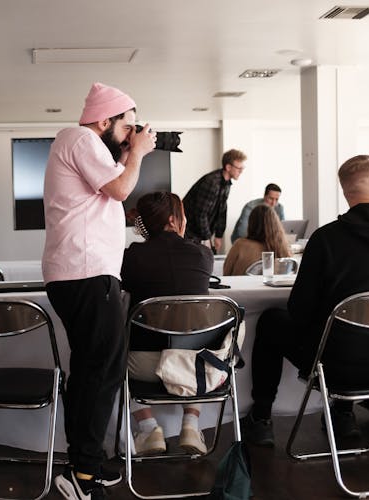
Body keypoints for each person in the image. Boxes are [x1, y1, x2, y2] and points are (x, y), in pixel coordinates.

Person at [242, 154, 369, 447]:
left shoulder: (326, 240)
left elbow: (299, 312)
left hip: (339, 367)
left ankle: (261, 417)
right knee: (347, 336)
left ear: (347, 193)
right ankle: (343, 411)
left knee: (272, 321)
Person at [42, 82, 156, 499]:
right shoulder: (80, 137)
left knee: (93, 371)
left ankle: (84, 464)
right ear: (105, 121)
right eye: (128, 126)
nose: (132, 133)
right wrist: (138, 153)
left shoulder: (84, 146)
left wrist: (129, 152)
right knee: (102, 371)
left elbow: (113, 185)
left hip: (82, 274)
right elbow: (122, 190)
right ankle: (82, 473)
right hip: (86, 274)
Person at [120, 192, 213, 455]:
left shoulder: (132, 258)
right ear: (173, 220)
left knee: (107, 346)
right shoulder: (203, 255)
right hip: (194, 363)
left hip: (143, 366)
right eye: (183, 215)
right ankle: (191, 425)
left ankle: (149, 428)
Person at [183, 149, 247, 253]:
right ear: (228, 167)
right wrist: (207, 238)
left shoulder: (226, 183)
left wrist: (219, 235)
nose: (241, 171)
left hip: (199, 231)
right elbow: (200, 214)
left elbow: (222, 211)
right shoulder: (212, 182)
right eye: (239, 168)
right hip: (189, 231)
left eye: (242, 168)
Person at [223, 204, 292, 276]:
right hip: (271, 287)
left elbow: (226, 273)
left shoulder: (240, 245)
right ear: (276, 224)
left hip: (242, 287)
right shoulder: (282, 248)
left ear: (251, 223)